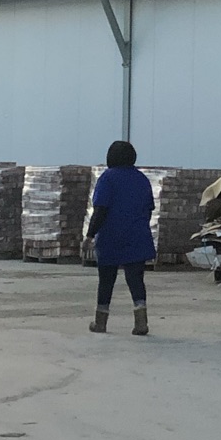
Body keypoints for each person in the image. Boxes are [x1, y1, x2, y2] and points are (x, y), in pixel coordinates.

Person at [86, 139, 155, 335]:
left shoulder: (107, 178)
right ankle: (141, 322)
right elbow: (149, 209)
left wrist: (90, 235)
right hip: (137, 236)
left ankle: (101, 322)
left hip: (111, 236)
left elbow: (100, 210)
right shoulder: (142, 179)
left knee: (106, 280)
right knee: (136, 279)